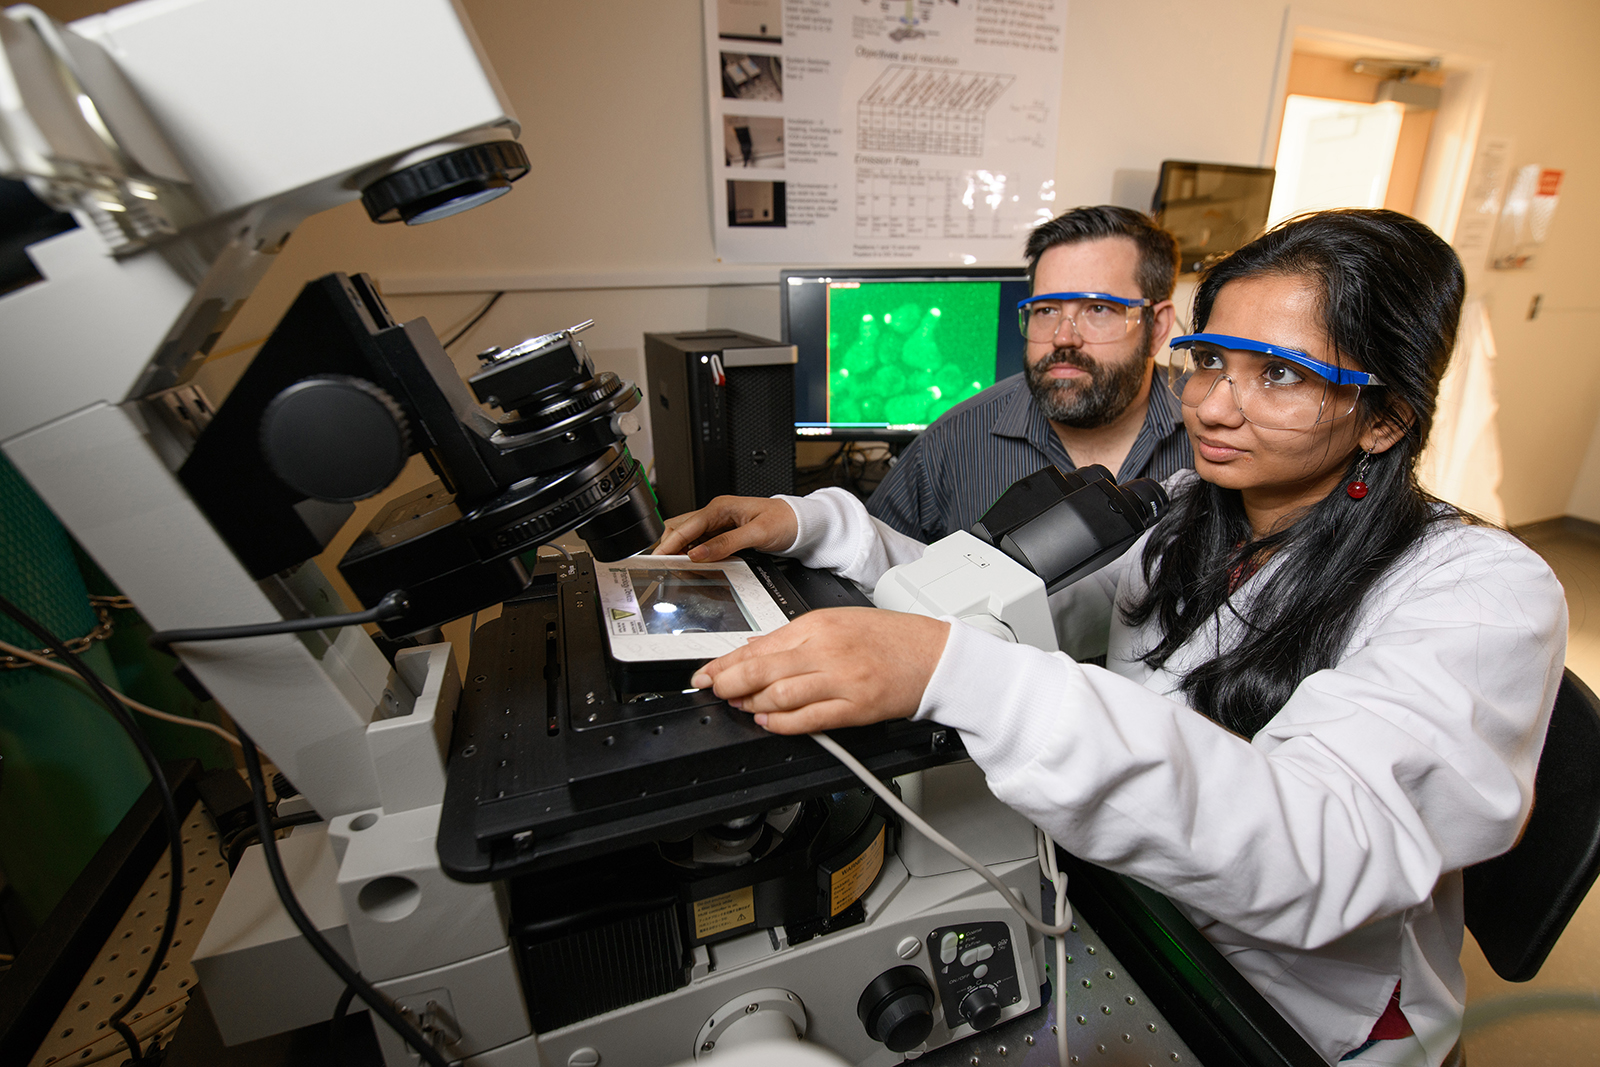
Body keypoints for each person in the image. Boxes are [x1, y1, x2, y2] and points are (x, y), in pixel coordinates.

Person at [656, 209, 1568, 1066]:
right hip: (1138, 908)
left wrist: (963, 676)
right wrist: (815, 526)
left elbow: (1320, 852)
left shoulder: (1480, 593)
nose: (1211, 407)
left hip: (1287, 1009)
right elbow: (1011, 602)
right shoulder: (1186, 515)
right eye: (1213, 360)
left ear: (1386, 417)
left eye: (1279, 374)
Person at [867, 205, 1192, 544]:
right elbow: (863, 571)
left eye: (1098, 308)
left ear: (1157, 328)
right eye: (1046, 310)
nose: (1063, 337)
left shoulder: (1218, 432)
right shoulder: (951, 443)